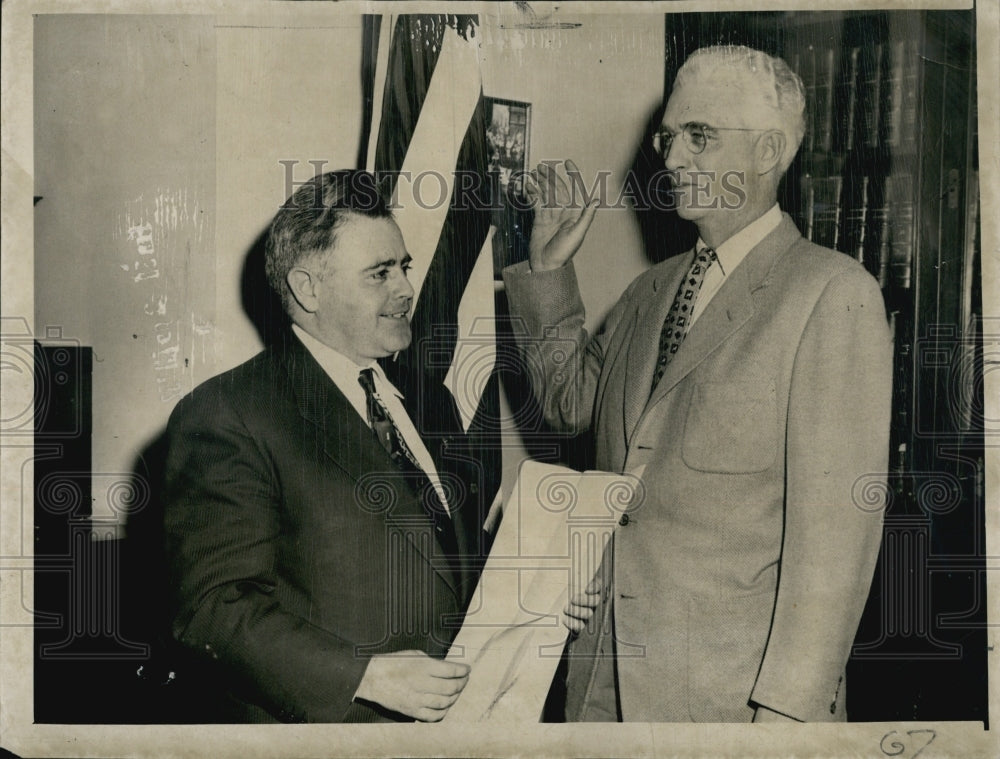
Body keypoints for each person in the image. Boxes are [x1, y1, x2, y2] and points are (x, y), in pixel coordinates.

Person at [504, 45, 893, 722]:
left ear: (768, 151)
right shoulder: (650, 290)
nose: (671, 158)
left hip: (732, 702)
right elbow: (568, 407)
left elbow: (836, 542)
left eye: (699, 136)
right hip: (604, 680)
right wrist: (545, 272)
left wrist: (788, 713)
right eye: (668, 136)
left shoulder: (830, 294)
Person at [163, 170, 477, 723]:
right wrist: (367, 676)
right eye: (379, 273)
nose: (405, 288)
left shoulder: (432, 403)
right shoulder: (228, 413)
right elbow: (213, 610)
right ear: (308, 288)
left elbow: (445, 562)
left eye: (403, 266)